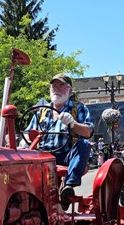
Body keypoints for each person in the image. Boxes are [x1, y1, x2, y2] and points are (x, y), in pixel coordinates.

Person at [26, 73, 93, 206]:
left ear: (70, 90)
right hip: (42, 156)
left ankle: (68, 186)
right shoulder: (42, 111)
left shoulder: (78, 108)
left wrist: (73, 124)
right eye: (54, 86)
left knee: (84, 143)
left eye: (61, 85)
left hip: (66, 155)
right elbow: (29, 134)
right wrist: (25, 140)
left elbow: (88, 132)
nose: (56, 89)